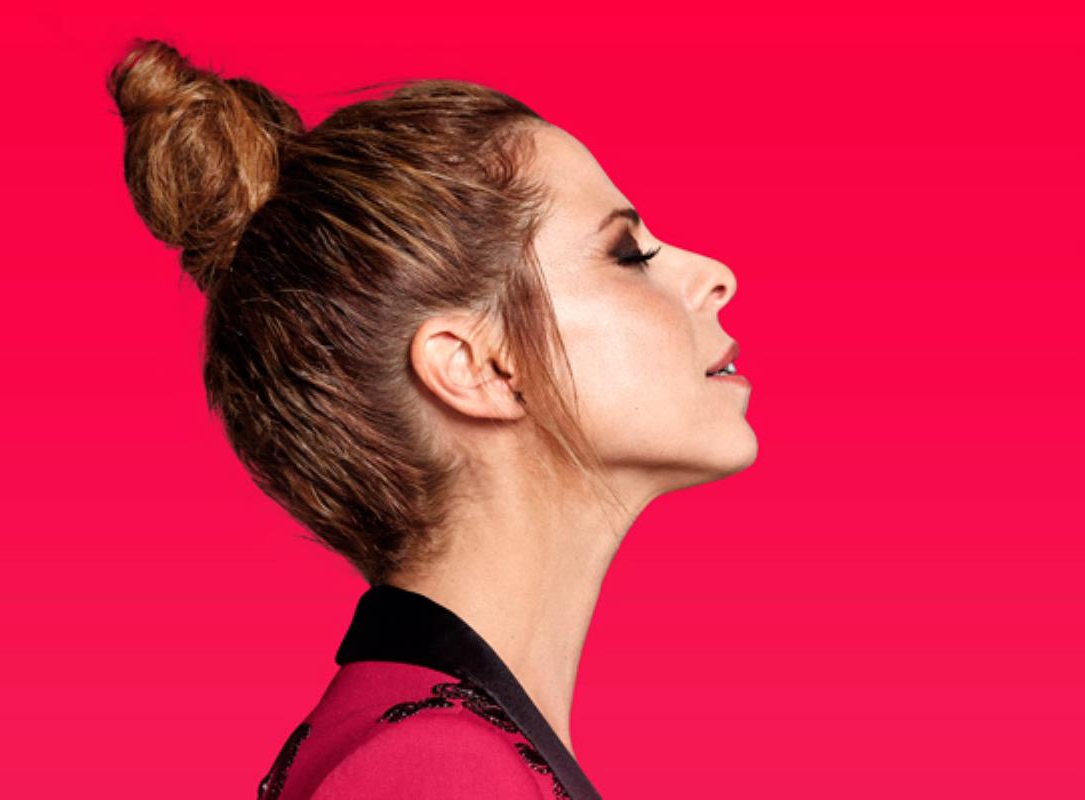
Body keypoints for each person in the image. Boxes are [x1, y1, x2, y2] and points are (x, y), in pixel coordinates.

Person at [106, 37, 756, 800]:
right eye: (628, 254)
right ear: (475, 366)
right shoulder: (438, 768)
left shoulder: (433, 746)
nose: (716, 276)